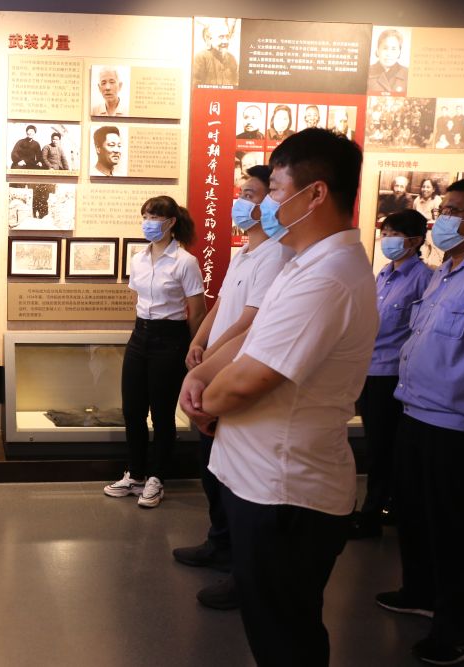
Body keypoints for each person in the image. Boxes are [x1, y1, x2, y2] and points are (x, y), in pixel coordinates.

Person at [179, 128, 377, 666]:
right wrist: (200, 378)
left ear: (315, 194)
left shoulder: (328, 277)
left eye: (274, 191)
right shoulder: (303, 262)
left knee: (285, 637)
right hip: (262, 481)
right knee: (273, 625)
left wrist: (206, 404)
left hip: (285, 492)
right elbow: (250, 334)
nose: (265, 204)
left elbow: (252, 379)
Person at [378, 177, 464, 665]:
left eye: (453, 211)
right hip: (415, 412)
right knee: (415, 515)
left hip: (458, 427)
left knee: (455, 531)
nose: (441, 220)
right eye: (441, 210)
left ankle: (458, 630)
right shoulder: (448, 270)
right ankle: (420, 592)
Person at [173, 165, 293, 610]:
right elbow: (221, 304)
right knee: (212, 464)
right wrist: (198, 341)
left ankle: (236, 562)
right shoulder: (244, 252)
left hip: (234, 370)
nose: (241, 201)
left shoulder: (277, 255)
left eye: (254, 193)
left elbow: (250, 321)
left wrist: (211, 361)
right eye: (241, 192)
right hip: (216, 364)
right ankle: (219, 540)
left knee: (231, 472)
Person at [104, 195, 206, 509]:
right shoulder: (138, 258)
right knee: (132, 409)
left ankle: (157, 477)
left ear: (171, 222)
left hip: (171, 338)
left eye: (154, 217)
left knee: (162, 413)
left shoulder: (185, 261)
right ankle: (135, 473)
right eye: (145, 216)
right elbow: (140, 300)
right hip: (140, 335)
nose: (148, 223)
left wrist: (195, 350)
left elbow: (198, 311)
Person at [349, 210, 431, 540]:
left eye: (395, 234)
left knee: (383, 448)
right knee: (376, 443)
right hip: (370, 368)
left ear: (414, 240)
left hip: (393, 374)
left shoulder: (422, 277)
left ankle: (374, 514)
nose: (387, 240)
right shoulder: (384, 273)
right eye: (385, 233)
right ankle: (385, 506)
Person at [193, 20, 238, 87]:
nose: (226, 41)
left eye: (227, 37)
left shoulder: (231, 58)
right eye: (221, 37)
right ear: (209, 39)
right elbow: (195, 87)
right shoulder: (201, 58)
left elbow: (236, 85)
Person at [367, 29, 408, 95]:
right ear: (377, 50)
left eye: (393, 49)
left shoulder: (407, 75)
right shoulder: (366, 73)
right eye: (385, 48)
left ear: (399, 52)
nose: (389, 54)